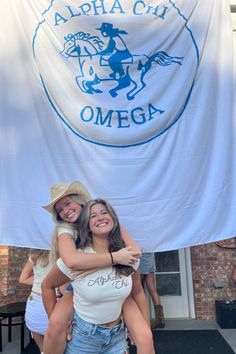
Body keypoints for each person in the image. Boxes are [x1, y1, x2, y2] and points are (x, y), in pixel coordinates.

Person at [42, 181, 154, 354]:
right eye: (60, 210)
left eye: (67, 204)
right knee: (56, 324)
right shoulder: (65, 229)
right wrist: (113, 258)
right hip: (76, 286)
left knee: (145, 337)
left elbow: (136, 257)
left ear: (80, 202)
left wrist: (142, 331)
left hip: (115, 336)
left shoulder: (124, 253)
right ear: (87, 223)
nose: (65, 211)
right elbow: (71, 261)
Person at [19, 249, 53, 352]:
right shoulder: (63, 253)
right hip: (52, 304)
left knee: (43, 349)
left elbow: (23, 279)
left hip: (33, 305)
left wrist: (40, 279)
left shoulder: (35, 253)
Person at [140, 252, 165, 329]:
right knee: (153, 289)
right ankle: (160, 319)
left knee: (139, 291)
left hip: (139, 258)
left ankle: (142, 320)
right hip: (149, 257)